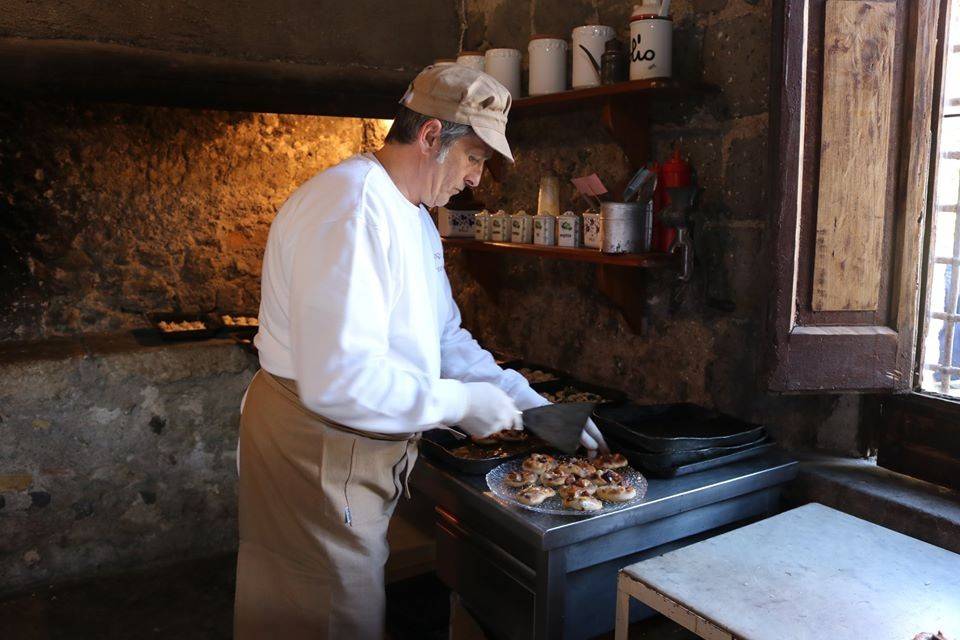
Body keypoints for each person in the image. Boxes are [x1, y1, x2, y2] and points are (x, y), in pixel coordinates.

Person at [233, 63, 607, 639]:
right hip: (319, 445)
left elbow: (443, 337)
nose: (478, 179)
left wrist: (523, 398)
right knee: (327, 618)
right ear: (431, 135)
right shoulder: (352, 209)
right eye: (475, 158)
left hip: (349, 439)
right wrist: (459, 403)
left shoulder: (412, 215)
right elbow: (340, 382)